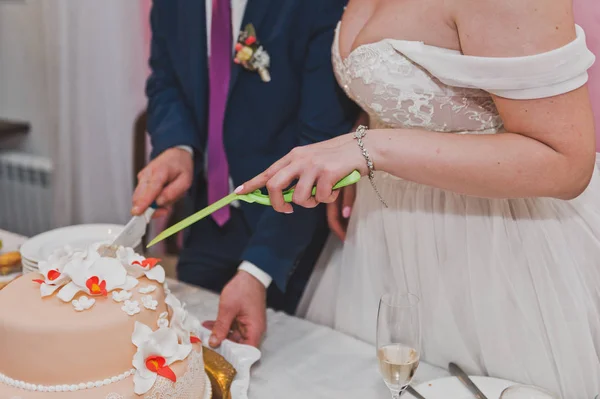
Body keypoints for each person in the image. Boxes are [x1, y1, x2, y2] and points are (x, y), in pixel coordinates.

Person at [234, 0, 600, 397]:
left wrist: (372, 147)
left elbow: (566, 164)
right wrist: (363, 137)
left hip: (493, 252)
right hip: (383, 234)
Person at [132, 0, 357, 346]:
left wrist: (257, 270)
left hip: (291, 231)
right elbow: (166, 80)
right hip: (206, 219)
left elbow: (321, 141)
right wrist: (178, 147)